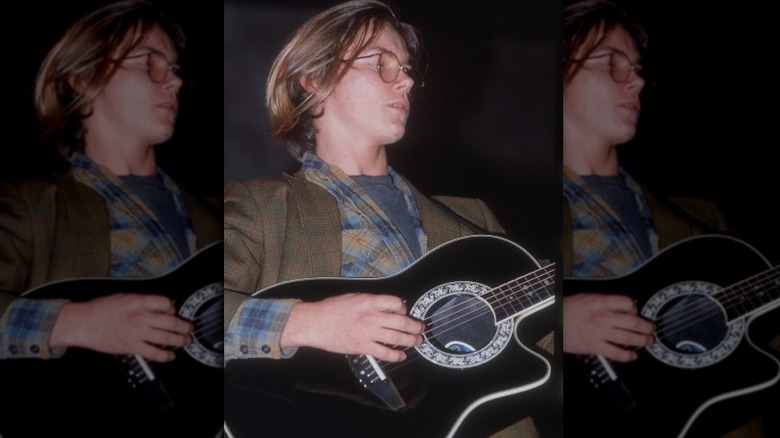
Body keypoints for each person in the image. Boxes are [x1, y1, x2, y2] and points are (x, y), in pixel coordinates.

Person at [223, 1, 555, 437]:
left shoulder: (473, 217)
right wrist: (306, 322)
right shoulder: (258, 206)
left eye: (408, 68)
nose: (407, 79)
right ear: (314, 77)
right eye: (381, 62)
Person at [0, 1, 222, 437]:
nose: (174, 79)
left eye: (174, 68)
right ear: (83, 77)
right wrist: (76, 322)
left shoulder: (224, 216)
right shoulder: (29, 206)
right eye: (150, 63)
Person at [561, 1, 778, 437]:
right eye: (613, 63)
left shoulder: (702, 220)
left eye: (637, 67)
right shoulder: (516, 215)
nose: (637, 80)